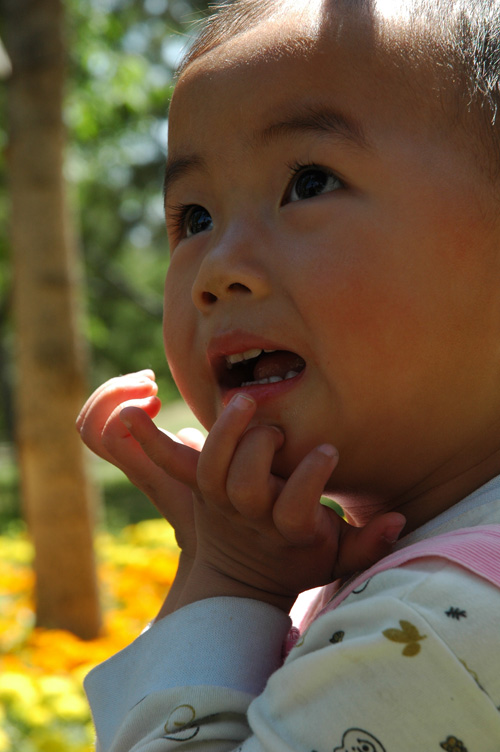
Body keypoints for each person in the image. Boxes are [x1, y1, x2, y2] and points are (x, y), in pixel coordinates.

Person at [77, 0, 500, 748]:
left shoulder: (438, 626)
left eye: (308, 182)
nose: (217, 270)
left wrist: (227, 583)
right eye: (195, 218)